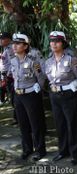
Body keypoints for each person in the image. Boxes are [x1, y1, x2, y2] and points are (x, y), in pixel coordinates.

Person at [45, 31, 77, 165]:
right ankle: (63, 151)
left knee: (73, 125)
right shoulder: (48, 61)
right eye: (52, 41)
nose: (54, 44)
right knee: (60, 125)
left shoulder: (71, 59)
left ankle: (75, 153)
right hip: (55, 95)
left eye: (57, 41)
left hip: (69, 95)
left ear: (63, 43)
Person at [9, 33, 47, 161]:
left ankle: (40, 150)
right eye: (14, 43)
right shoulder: (13, 60)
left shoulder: (33, 61)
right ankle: (27, 149)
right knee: (23, 124)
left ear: (25, 46)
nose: (14, 46)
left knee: (35, 123)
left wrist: (39, 88)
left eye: (18, 43)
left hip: (31, 95)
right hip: (18, 95)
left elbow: (41, 76)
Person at [0, 32, 17, 123]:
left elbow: (12, 64)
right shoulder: (6, 48)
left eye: (2, 39)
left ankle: (17, 118)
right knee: (13, 98)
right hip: (8, 77)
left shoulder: (10, 49)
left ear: (8, 40)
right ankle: (17, 117)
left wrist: (8, 75)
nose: (0, 40)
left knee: (15, 98)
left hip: (11, 77)